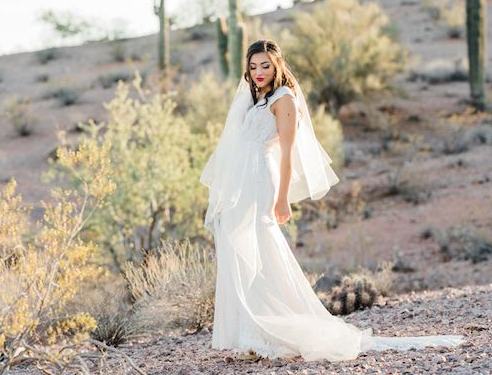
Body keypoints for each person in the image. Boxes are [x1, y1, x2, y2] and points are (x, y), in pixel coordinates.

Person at [199, 39, 466, 362]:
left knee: (262, 247)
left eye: (265, 65)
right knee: (241, 247)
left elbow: (286, 155)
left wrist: (282, 198)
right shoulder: (256, 99)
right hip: (244, 178)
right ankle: (252, 331)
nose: (258, 72)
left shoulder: (283, 99)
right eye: (253, 66)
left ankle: (274, 329)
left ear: (277, 65)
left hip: (262, 178)